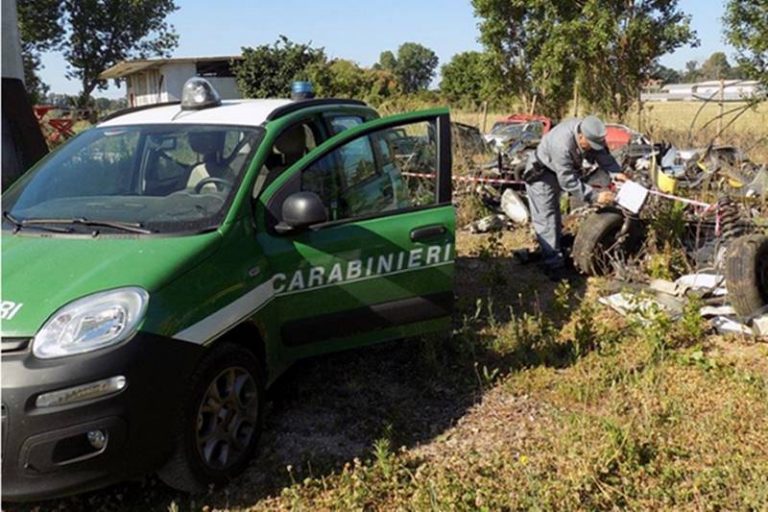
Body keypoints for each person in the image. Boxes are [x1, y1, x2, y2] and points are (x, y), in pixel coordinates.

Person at [522, 115, 620, 279]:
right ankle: (553, 266)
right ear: (581, 136)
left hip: (557, 172)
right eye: (589, 145)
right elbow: (568, 181)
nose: (592, 149)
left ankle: (555, 250)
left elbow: (603, 156)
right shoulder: (562, 144)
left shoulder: (591, 132)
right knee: (546, 218)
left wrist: (618, 173)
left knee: (555, 215)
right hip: (541, 175)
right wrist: (595, 197)